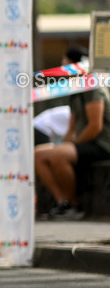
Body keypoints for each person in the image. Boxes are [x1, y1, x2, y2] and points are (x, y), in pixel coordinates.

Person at [35, 47, 110, 220]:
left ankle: (74, 206)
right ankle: (63, 203)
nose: (62, 66)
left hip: (103, 143)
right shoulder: (75, 89)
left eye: (65, 62)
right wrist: (66, 143)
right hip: (87, 142)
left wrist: (70, 146)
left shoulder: (93, 85)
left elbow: (95, 127)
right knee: (39, 154)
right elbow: (71, 128)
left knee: (59, 155)